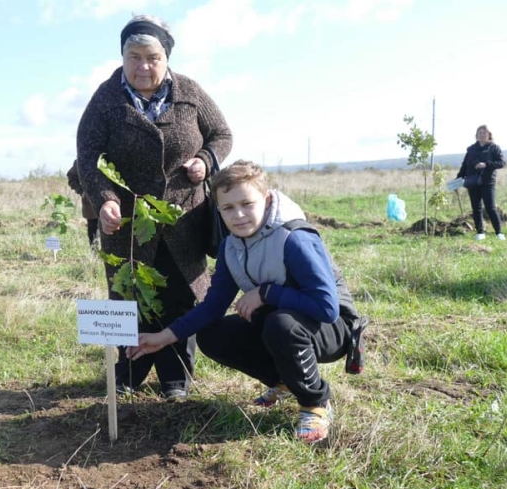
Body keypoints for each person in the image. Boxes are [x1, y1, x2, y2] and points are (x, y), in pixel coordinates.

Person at [127, 161, 366, 444]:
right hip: (286, 321)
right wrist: (163, 338)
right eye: (228, 208)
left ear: (265, 200)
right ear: (218, 210)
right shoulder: (232, 246)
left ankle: (315, 403)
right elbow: (212, 307)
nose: (238, 215)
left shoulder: (293, 238)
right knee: (213, 334)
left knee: (281, 325)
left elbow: (327, 308)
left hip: (334, 326)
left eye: (247, 204)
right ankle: (285, 381)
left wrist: (266, 293)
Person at [77, 15, 233, 400]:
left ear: (166, 58)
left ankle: (176, 376)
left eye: (152, 57)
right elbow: (87, 157)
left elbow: (222, 134)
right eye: (134, 57)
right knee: (129, 294)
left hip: (185, 217)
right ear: (123, 56)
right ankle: (129, 370)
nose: (143, 66)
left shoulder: (190, 93)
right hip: (127, 223)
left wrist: (206, 160)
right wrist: (106, 201)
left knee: (180, 293)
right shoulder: (105, 100)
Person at [456, 125, 507, 241]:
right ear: (476, 135)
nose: (482, 135)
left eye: (484, 133)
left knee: (491, 207)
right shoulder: (471, 149)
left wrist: (486, 164)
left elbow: (501, 163)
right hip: (472, 182)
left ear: (489, 135)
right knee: (476, 208)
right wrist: (458, 179)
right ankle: (480, 232)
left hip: (488, 182)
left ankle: (499, 233)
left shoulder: (494, 148)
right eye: (480, 133)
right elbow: (464, 165)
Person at [66, 160, 99, 246]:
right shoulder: (83, 159)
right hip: (90, 202)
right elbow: (72, 177)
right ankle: (94, 256)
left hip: (114, 201)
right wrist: (81, 191)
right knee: (93, 231)